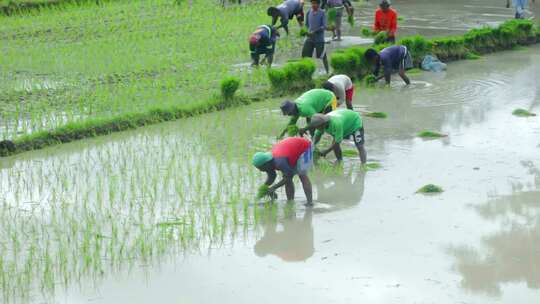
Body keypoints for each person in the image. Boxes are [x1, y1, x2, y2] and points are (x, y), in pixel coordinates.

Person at [252, 137, 314, 205]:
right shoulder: (269, 163)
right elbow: (272, 177)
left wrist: (273, 188)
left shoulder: (280, 162)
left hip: (304, 147)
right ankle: (290, 202)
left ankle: (310, 203)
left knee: (302, 175)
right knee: (288, 179)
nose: (260, 170)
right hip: (291, 151)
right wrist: (264, 189)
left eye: (260, 168)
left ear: (265, 164)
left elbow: (288, 177)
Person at [299, 109, 366, 164]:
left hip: (355, 123)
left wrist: (326, 151)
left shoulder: (336, 124)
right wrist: (311, 147)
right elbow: (317, 137)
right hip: (345, 124)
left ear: (323, 124)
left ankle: (363, 165)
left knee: (360, 146)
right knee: (334, 143)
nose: (317, 129)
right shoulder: (320, 124)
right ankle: (340, 160)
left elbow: (337, 142)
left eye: (318, 127)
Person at [302, 0, 329, 74]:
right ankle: (307, 72)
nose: (313, 5)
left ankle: (327, 72)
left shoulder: (322, 13)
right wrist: (306, 32)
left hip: (319, 39)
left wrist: (315, 31)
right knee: (305, 55)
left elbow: (324, 26)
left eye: (315, 3)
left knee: (323, 56)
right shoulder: (308, 13)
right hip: (309, 38)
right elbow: (307, 25)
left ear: (319, 4)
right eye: (312, 3)